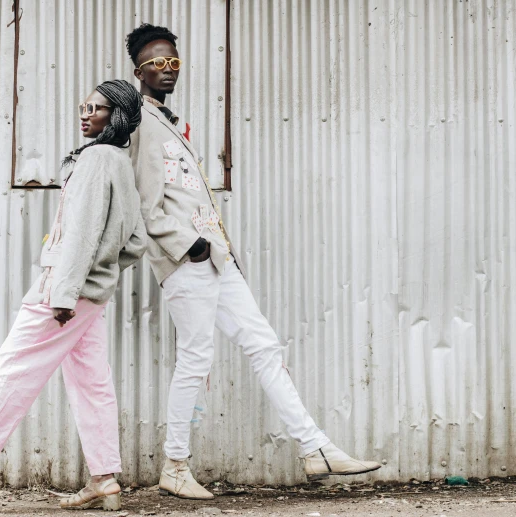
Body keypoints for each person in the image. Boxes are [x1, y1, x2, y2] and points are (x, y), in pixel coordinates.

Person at [125, 24, 382, 500]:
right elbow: (145, 205)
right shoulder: (139, 121)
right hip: (187, 261)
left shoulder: (172, 121)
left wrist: (217, 248)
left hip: (217, 259)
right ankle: (175, 464)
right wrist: (190, 246)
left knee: (264, 345)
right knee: (196, 360)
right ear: (138, 69)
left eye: (174, 63)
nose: (167, 71)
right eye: (156, 63)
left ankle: (315, 448)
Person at [0, 80, 146, 511]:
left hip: (64, 290)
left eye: (95, 108)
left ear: (114, 115)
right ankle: (104, 478)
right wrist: (101, 275)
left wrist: (65, 290)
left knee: (14, 365)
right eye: (83, 105)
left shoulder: (96, 158)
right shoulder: (119, 161)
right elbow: (134, 241)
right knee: (91, 383)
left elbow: (80, 234)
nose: (84, 113)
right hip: (90, 293)